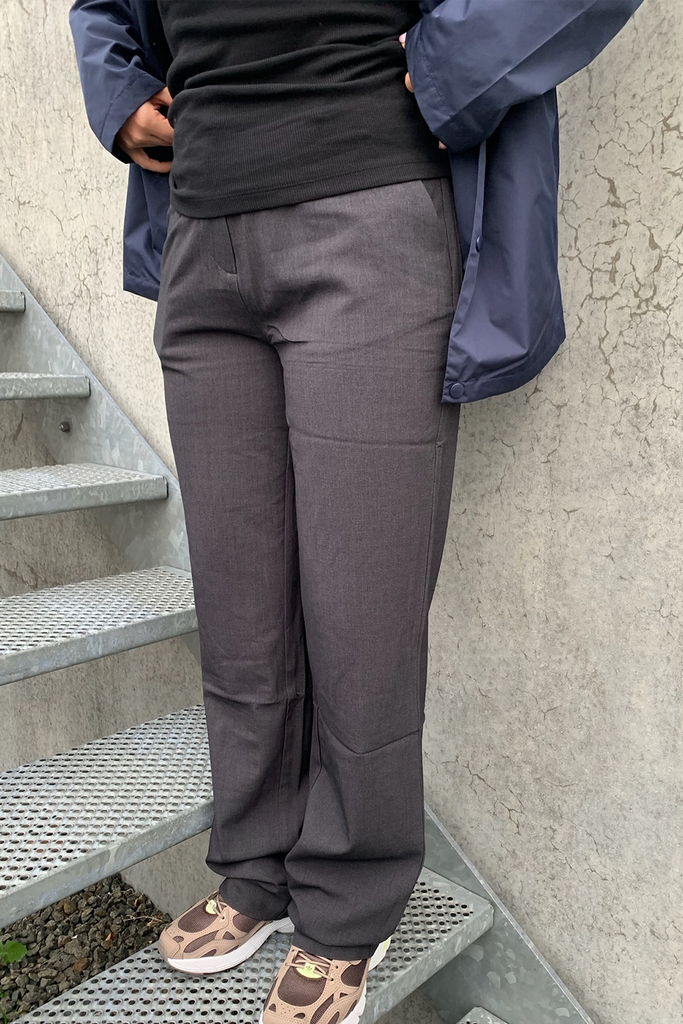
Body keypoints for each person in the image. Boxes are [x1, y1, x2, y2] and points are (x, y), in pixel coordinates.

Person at [68, 4, 642, 1024]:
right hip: (201, 236)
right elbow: (103, 8)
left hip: (368, 215)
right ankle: (255, 865)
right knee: (240, 604)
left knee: (360, 608)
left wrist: (459, 56)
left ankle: (349, 900)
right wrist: (115, 89)